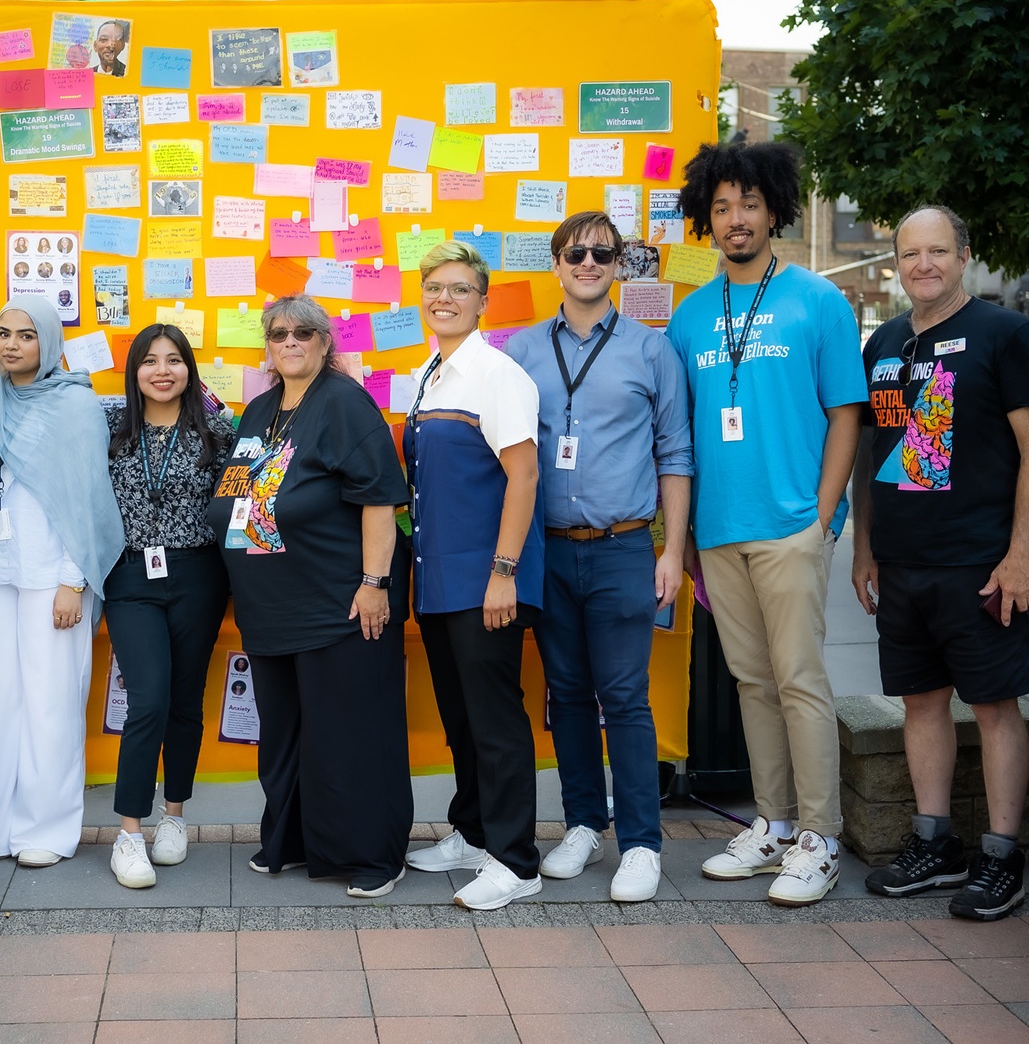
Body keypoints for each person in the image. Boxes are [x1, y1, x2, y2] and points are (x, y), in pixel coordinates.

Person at [665, 142, 867, 907]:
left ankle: (820, 837)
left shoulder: (817, 300)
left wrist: (822, 515)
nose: (735, 218)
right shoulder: (690, 316)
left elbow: (846, 414)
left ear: (774, 208)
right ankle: (775, 825)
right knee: (753, 683)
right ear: (705, 219)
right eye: (721, 207)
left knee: (799, 681)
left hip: (791, 524)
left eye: (748, 203)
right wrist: (679, 538)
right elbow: (679, 431)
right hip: (718, 528)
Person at [854, 206, 1029, 921]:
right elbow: (874, 455)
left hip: (981, 566)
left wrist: (1022, 555)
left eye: (938, 250)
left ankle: (1003, 857)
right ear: (897, 262)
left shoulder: (1008, 334)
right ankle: (935, 845)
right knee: (921, 702)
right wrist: (865, 548)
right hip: (904, 564)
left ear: (964, 255)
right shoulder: (880, 342)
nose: (923, 264)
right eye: (911, 253)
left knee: (996, 706)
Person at [505, 212, 693, 903]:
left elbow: (675, 454)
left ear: (619, 265)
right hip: (547, 552)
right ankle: (585, 822)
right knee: (567, 694)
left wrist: (671, 550)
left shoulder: (651, 351)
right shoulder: (522, 352)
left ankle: (641, 842)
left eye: (603, 253)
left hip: (622, 549)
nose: (589, 262)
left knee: (626, 698)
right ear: (555, 263)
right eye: (576, 252)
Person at [208, 293, 412, 898]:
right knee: (286, 735)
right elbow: (240, 496)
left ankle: (375, 855)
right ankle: (294, 840)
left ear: (326, 343)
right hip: (271, 608)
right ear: (267, 347)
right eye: (278, 334)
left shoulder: (346, 403)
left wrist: (374, 584)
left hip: (339, 604)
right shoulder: (262, 408)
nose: (290, 342)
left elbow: (379, 497)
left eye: (303, 333)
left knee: (349, 736)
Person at [401, 242, 546, 911]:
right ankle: (473, 831)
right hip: (438, 582)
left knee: (494, 721)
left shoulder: (496, 373)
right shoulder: (430, 373)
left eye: (459, 288)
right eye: (433, 287)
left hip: (485, 580)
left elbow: (523, 475)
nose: (444, 299)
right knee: (461, 719)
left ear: (482, 300)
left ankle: (517, 861)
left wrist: (504, 573)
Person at [0, 295, 124, 870]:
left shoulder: (76, 407)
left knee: (51, 698)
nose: (11, 345)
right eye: (4, 333)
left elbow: (87, 497)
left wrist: (73, 580)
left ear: (48, 342)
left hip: (54, 570)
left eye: (27, 335)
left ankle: (47, 828)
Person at [103, 323, 233, 888]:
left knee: (184, 701)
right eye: (150, 361)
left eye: (174, 360)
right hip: (130, 575)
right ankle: (129, 832)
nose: (162, 370)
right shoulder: (109, 427)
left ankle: (174, 815)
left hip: (198, 574)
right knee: (148, 700)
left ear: (189, 369)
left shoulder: (218, 431)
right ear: (134, 371)